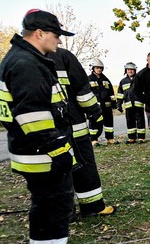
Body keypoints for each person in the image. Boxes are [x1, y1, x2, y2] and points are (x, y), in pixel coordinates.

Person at [0, 9, 84, 244]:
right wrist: (58, 151)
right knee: (52, 204)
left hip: (36, 150)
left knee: (50, 203)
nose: (59, 41)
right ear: (40, 34)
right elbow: (32, 116)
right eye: (56, 35)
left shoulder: (27, 58)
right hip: (40, 152)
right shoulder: (26, 64)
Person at [49, 47, 116, 217]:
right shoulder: (63, 56)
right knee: (83, 165)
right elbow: (82, 90)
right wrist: (94, 112)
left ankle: (68, 212)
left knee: (59, 170)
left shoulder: (26, 58)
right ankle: (92, 207)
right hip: (73, 123)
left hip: (50, 129)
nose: (57, 39)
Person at [88, 60, 117, 146]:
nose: (99, 69)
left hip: (107, 106)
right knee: (94, 123)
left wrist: (114, 103)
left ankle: (110, 138)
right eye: (97, 68)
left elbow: (111, 93)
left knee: (109, 123)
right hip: (95, 107)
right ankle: (94, 140)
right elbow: (86, 92)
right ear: (93, 68)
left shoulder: (106, 79)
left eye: (100, 68)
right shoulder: (88, 79)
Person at [118, 62, 146, 143]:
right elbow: (120, 94)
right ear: (126, 70)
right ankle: (132, 138)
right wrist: (119, 105)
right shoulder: (123, 81)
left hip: (138, 104)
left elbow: (144, 91)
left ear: (135, 70)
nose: (130, 71)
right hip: (128, 105)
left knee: (140, 121)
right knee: (130, 121)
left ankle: (141, 138)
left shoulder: (139, 79)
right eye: (128, 69)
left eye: (132, 69)